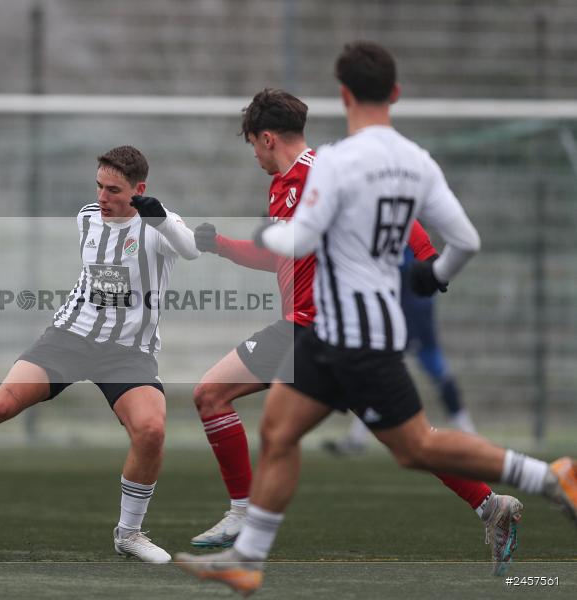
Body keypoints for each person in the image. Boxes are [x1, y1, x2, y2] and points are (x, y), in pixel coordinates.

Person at [175, 42, 577, 595]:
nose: (254, 154)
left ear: (344, 95)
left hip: (335, 330)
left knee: (412, 444)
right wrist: (431, 271)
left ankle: (543, 477)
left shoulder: (335, 163)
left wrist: (261, 235)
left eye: (253, 145)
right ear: (396, 92)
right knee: (287, 431)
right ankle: (249, 552)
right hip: (325, 331)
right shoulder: (411, 161)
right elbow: (448, 237)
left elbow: (301, 239)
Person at [0, 145, 200, 563]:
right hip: (71, 336)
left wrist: (162, 218)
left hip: (128, 352)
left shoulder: (160, 223)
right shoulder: (87, 218)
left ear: (140, 189)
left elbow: (189, 248)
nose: (102, 197)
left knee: (151, 431)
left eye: (113, 190)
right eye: (98, 185)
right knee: (0, 403)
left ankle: (129, 534)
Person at [324, 246, 475, 455]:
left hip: (413, 316)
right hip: (399, 315)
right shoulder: (395, 238)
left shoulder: (405, 242)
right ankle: (357, 438)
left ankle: (469, 433)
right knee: (378, 376)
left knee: (435, 372)